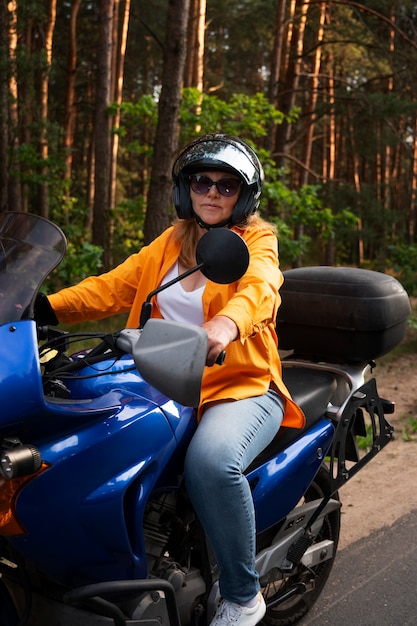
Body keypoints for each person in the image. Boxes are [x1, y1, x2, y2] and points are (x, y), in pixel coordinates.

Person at [48, 134, 305, 626]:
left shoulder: (256, 241)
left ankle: (242, 596)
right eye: (201, 181)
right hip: (162, 378)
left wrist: (222, 327)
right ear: (185, 189)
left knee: (211, 464)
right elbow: (111, 286)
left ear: (244, 196)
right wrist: (40, 307)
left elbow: (260, 288)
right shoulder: (173, 241)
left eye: (227, 186)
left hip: (240, 385)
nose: (212, 192)